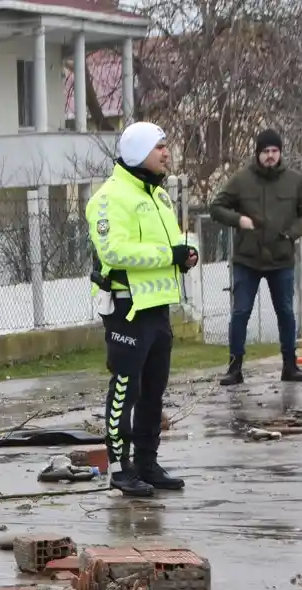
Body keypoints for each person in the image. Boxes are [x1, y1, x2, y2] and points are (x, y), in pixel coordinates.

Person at [86, 121, 196, 498]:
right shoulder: (108, 198)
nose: (167, 153)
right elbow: (113, 251)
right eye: (159, 147)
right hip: (126, 309)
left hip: (158, 308)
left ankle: (147, 462)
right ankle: (119, 467)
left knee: (154, 391)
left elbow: (166, 243)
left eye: (166, 145)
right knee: (124, 390)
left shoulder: (158, 196)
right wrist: (170, 254)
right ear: (138, 153)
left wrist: (184, 254)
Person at [209, 129, 302, 385]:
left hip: (281, 258)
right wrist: (239, 219)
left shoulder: (295, 181)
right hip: (248, 259)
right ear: (257, 154)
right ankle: (234, 368)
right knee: (241, 312)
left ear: (280, 152)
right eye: (265, 152)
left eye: (274, 151)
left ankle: (290, 366)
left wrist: (292, 233)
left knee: (285, 313)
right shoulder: (241, 180)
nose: (270, 156)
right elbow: (215, 208)